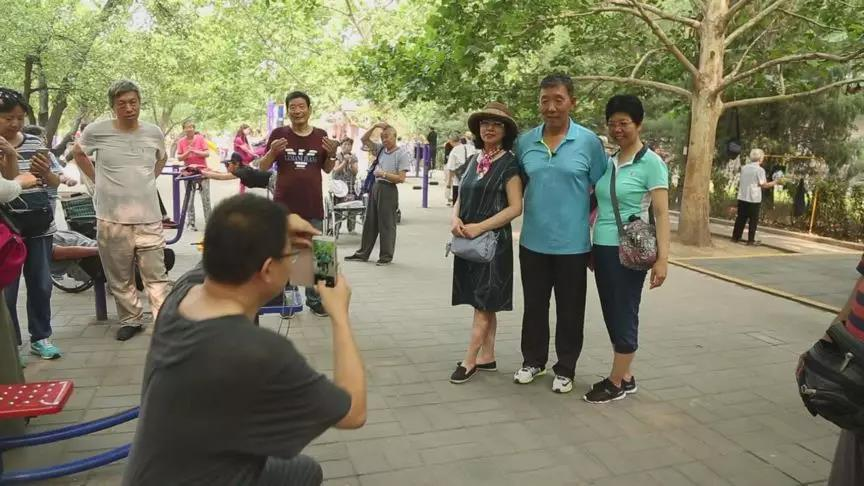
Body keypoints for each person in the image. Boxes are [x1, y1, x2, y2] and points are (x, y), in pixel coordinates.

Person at [121, 194, 367, 486]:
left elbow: (230, 243)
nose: (294, 263)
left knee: (303, 471)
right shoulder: (259, 353)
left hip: (152, 473)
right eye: (289, 256)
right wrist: (339, 315)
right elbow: (352, 413)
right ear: (267, 270)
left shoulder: (183, 292)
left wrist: (274, 226)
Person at [513, 74, 608, 394]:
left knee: (570, 309)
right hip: (532, 242)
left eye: (558, 100)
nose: (551, 107)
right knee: (534, 305)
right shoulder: (525, 142)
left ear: (572, 102)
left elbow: (601, 189)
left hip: (573, 245)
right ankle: (532, 361)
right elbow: (518, 186)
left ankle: (565, 368)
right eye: (544, 100)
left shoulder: (589, 142)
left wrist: (592, 232)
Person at [583, 95, 670, 404]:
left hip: (631, 249)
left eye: (624, 123)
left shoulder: (652, 163)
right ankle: (627, 375)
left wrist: (663, 260)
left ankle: (616, 381)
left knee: (624, 311)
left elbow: (660, 214)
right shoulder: (609, 162)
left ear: (638, 124)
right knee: (611, 310)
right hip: (603, 248)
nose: (617, 129)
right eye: (612, 124)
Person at [72, 80, 171, 341]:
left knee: (156, 275)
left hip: (149, 216)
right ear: (113, 107)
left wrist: (148, 179)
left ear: (139, 103)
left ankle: (163, 320)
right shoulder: (97, 131)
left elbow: (162, 157)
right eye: (122, 103)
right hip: (112, 218)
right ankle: (131, 319)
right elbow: (78, 153)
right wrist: (97, 180)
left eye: (133, 102)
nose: (129, 108)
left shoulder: (153, 133)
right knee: (120, 275)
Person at [449, 102, 523, 384]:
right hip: (467, 240)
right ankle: (487, 355)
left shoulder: (510, 163)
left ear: (506, 131)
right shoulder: (473, 160)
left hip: (492, 243)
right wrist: (454, 219)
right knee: (483, 301)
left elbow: (515, 207)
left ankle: (469, 360)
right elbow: (460, 197)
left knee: (483, 301)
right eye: (485, 123)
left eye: (497, 124)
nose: (489, 128)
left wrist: (480, 226)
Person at [257, 91, 340, 318]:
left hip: (313, 204)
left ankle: (319, 300)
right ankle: (288, 301)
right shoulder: (278, 134)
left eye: (301, 106)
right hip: (284, 206)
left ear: (309, 109)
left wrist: (332, 154)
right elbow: (263, 167)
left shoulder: (321, 135)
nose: (297, 111)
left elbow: (327, 168)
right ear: (288, 110)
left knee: (321, 254)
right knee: (286, 254)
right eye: (292, 107)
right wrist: (273, 151)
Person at [0, 88, 63, 360]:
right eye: (7, 118)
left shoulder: (36, 143)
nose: (14, 123)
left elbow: (56, 181)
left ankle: (41, 337)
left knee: (40, 284)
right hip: (7, 231)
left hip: (39, 225)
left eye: (19, 118)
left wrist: (46, 172)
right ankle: (11, 345)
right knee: (8, 290)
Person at [345, 122, 412, 266]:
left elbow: (401, 178)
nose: (385, 140)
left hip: (388, 188)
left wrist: (384, 174)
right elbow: (364, 139)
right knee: (370, 222)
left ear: (395, 136)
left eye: (387, 137)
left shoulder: (402, 154)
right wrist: (375, 126)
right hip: (376, 187)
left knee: (387, 224)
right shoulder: (381, 149)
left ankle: (386, 256)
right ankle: (363, 253)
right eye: (382, 137)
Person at [732, 148, 776, 246]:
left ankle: (735, 237)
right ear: (760, 159)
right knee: (753, 220)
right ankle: (750, 240)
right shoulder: (760, 170)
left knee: (740, 218)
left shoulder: (744, 168)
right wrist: (775, 182)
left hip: (742, 196)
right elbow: (763, 184)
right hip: (754, 198)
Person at [176, 120, 211, 231]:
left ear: (194, 128)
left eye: (191, 127)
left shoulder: (200, 139)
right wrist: (188, 152)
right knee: (189, 199)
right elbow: (180, 157)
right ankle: (191, 223)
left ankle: (209, 222)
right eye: (187, 127)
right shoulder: (181, 141)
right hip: (189, 172)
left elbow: (207, 153)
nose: (189, 129)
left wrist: (195, 151)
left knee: (206, 198)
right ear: (184, 129)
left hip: (202, 172)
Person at [202, 152, 274, 190]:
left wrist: (202, 172)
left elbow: (221, 177)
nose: (227, 167)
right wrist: (210, 171)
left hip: (274, 180)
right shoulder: (242, 168)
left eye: (228, 165)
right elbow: (222, 174)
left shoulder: (241, 171)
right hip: (272, 180)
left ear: (236, 164)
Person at [332, 138, 359, 232]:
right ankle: (336, 228)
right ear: (341, 145)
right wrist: (344, 162)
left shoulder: (354, 157)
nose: (347, 146)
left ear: (351, 147)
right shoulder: (338, 156)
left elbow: (355, 172)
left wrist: (350, 163)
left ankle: (351, 228)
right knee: (338, 208)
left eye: (349, 144)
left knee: (353, 207)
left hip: (350, 185)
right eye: (344, 144)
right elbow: (335, 170)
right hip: (339, 186)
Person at [445, 132, 474, 207]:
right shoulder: (471, 147)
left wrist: (448, 183)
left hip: (458, 181)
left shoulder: (454, 151)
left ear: (451, 141)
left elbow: (451, 168)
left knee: (457, 206)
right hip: (471, 179)